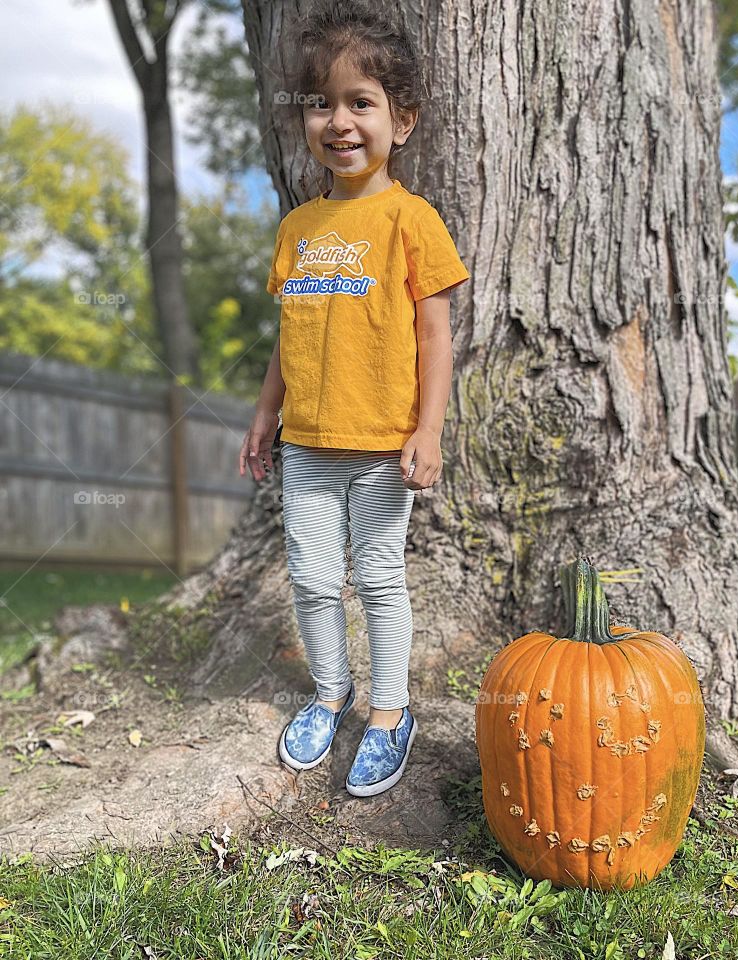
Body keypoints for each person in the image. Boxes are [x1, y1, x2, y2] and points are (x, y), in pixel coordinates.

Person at [238, 0, 470, 797]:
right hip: (306, 444)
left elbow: (436, 339)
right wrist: (266, 415)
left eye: (360, 102)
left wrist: (429, 428)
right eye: (320, 104)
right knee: (309, 577)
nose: (338, 121)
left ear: (401, 122)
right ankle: (330, 694)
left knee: (377, 577)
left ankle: (389, 711)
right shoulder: (298, 228)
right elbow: (288, 334)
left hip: (380, 446)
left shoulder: (413, 220)